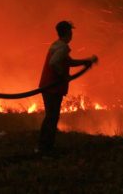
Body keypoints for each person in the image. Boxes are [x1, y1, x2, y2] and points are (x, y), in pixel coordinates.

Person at [37, 20, 98, 155]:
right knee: (52, 117)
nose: (72, 35)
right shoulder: (63, 47)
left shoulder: (57, 45)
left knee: (51, 116)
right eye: (71, 32)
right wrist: (63, 76)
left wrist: (86, 61)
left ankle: (44, 146)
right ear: (67, 33)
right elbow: (54, 63)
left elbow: (68, 62)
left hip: (48, 86)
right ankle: (46, 148)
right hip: (52, 87)